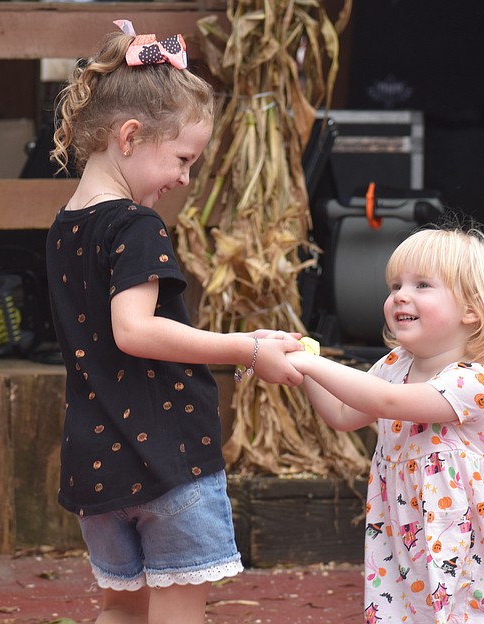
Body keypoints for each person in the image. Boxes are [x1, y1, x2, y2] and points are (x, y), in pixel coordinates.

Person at [45, 20, 304, 624]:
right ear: (130, 136)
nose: (186, 179)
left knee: (123, 611)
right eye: (184, 159)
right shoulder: (135, 225)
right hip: (165, 458)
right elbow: (133, 330)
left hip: (95, 460)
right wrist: (246, 349)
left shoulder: (65, 227)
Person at [287, 225, 484, 623]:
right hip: (406, 533)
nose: (400, 295)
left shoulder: (472, 380)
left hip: (469, 541)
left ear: (472, 309)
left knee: (468, 613)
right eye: (394, 286)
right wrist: (301, 369)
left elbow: (387, 402)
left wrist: (311, 363)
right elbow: (341, 415)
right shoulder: (394, 366)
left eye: (422, 285)